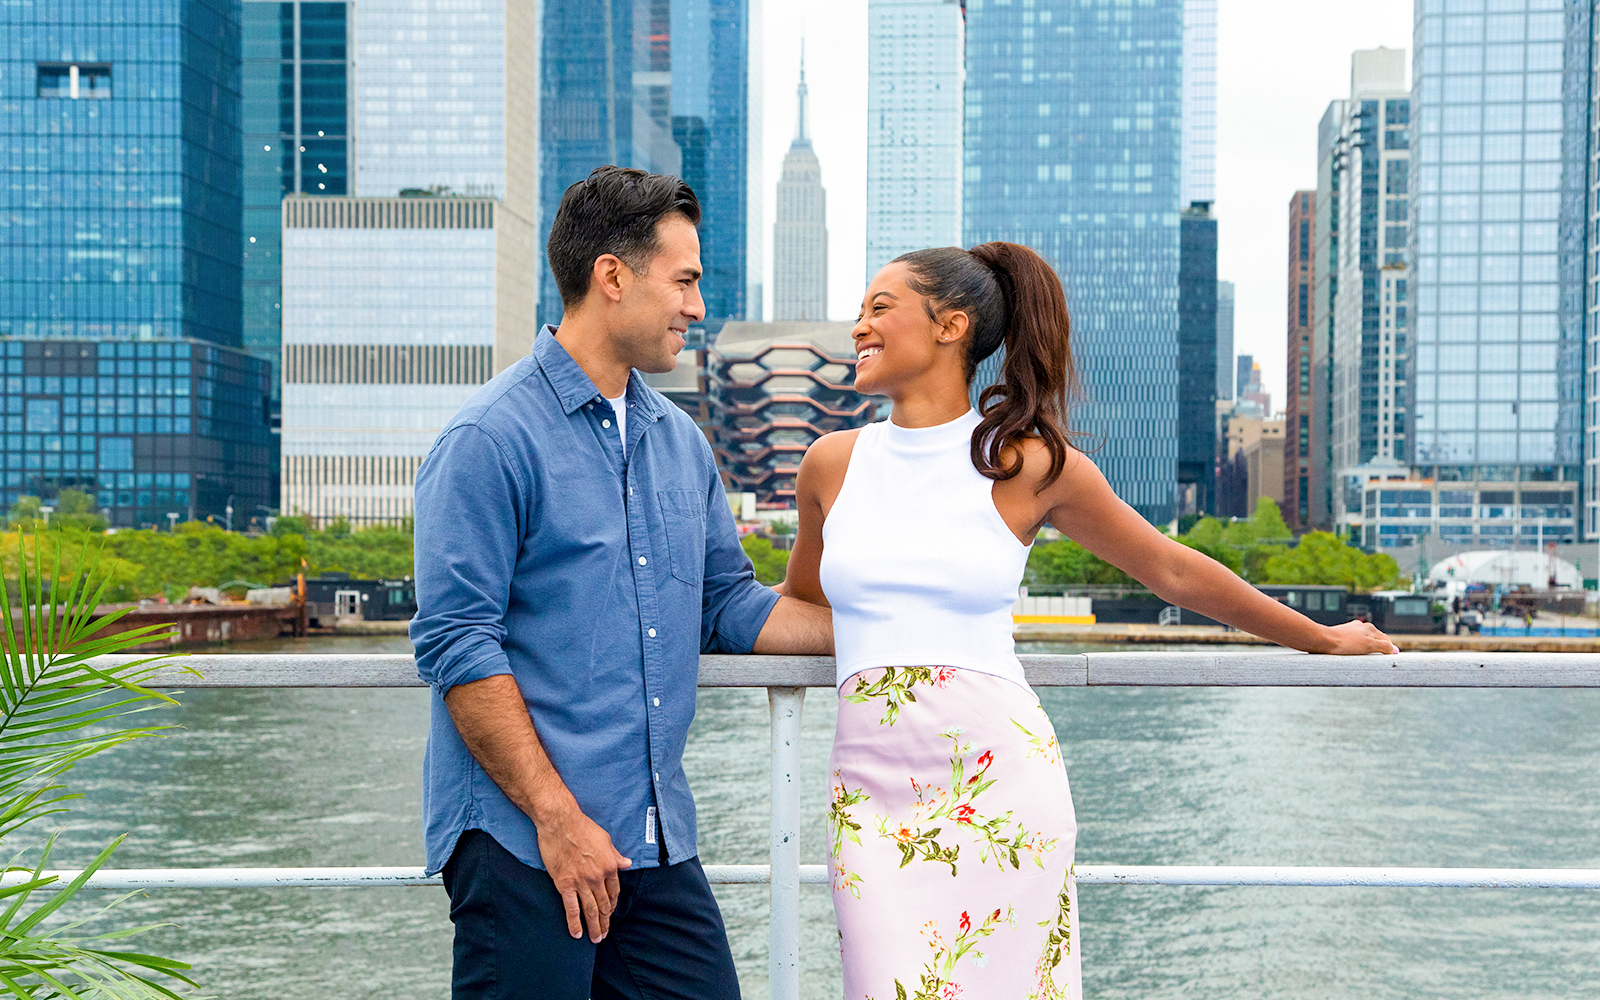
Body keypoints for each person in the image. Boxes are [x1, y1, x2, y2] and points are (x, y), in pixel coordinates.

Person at [779, 243, 1398, 1000]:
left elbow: (1171, 570)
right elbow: (800, 603)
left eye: (880, 308)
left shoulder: (1028, 462)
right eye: (860, 311)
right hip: (870, 798)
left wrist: (1323, 636)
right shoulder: (830, 464)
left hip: (998, 786)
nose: (859, 327)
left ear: (951, 325)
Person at [410, 166, 832, 1000]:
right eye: (684, 281)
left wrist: (892, 628)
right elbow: (457, 645)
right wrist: (557, 820)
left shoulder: (680, 441)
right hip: (525, 841)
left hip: (652, 838)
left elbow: (726, 603)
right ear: (612, 275)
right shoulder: (488, 439)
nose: (697, 307)